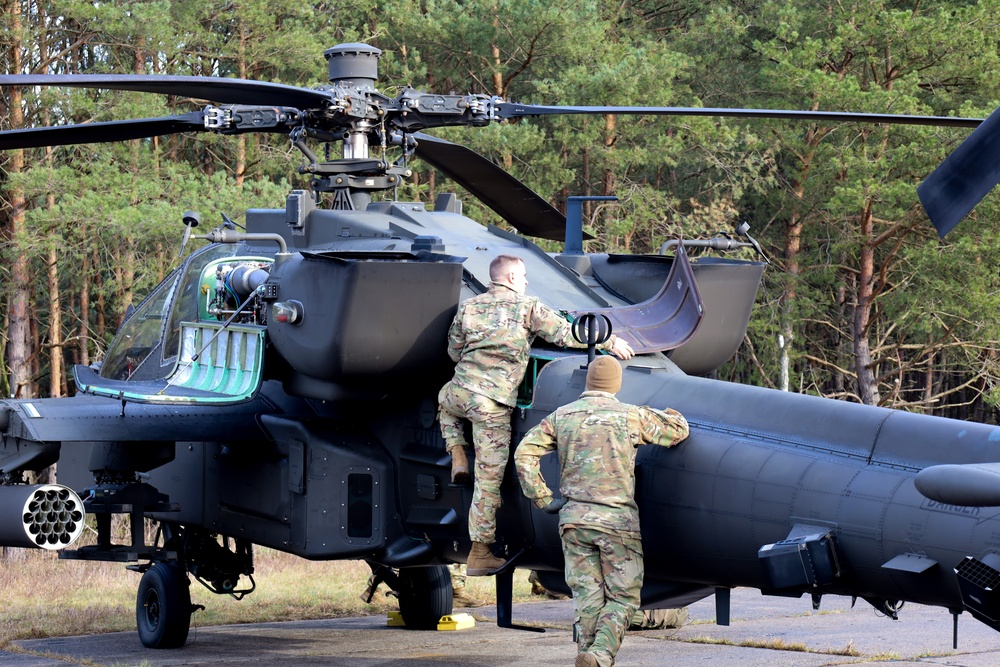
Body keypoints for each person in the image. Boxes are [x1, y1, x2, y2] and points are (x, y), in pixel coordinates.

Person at [439, 254, 634, 576]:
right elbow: (566, 333)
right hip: (491, 405)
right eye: (524, 275)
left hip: (459, 392)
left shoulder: (469, 307)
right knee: (488, 482)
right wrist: (610, 342)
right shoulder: (527, 306)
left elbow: (453, 351)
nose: (527, 281)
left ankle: (456, 449)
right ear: (513, 277)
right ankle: (479, 552)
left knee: (444, 401)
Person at [513, 356, 689, 667]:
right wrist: (672, 415)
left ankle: (588, 659)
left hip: (574, 522)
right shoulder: (629, 416)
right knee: (624, 598)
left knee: (587, 599)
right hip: (615, 522)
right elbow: (677, 431)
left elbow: (524, 453)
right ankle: (600, 655)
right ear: (616, 384)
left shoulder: (561, 417)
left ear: (588, 383)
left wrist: (542, 498)